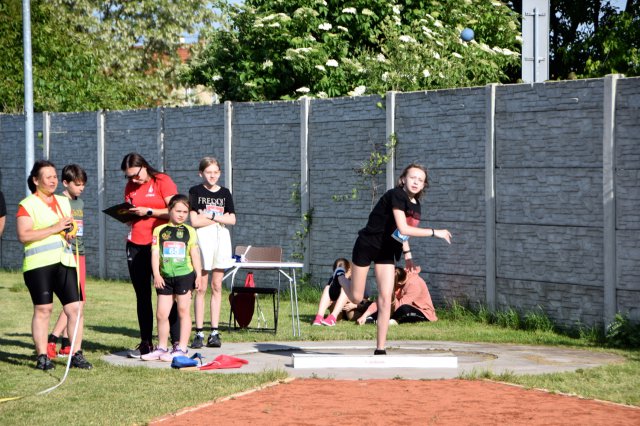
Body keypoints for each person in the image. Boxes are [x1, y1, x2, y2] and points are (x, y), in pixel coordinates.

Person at [341, 163, 452, 355]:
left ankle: (380, 349)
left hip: (386, 250)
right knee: (356, 297)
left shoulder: (416, 206)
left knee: (385, 298)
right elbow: (404, 228)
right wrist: (436, 232)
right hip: (367, 245)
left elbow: (400, 234)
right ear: (403, 179)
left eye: (420, 180)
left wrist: (408, 256)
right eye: (412, 178)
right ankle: (340, 275)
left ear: (424, 185)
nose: (416, 182)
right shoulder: (397, 195)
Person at [16, 160, 92, 370]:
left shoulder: (63, 201)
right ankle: (42, 356)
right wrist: (54, 227)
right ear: (35, 180)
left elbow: (69, 227)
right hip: (38, 265)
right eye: (47, 177)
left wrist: (69, 231)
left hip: (65, 261)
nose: (52, 180)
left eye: (54, 177)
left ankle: (75, 353)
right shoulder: (27, 204)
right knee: (44, 309)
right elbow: (23, 235)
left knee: (76, 308)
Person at [121, 152, 180, 358]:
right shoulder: (130, 186)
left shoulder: (162, 181)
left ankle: (176, 342)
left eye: (135, 175)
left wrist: (149, 212)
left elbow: (176, 211)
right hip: (135, 243)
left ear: (144, 166)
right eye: (128, 177)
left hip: (160, 243)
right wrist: (127, 216)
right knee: (142, 294)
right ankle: (146, 341)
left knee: (166, 292)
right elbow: (131, 212)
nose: (133, 180)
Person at [142, 195, 202, 361]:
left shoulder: (190, 231)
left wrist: (198, 275)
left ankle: (182, 348)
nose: (182, 215)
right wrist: (157, 274)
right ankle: (161, 347)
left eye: (185, 212)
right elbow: (154, 254)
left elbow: (194, 254)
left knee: (183, 310)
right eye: (178, 211)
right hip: (165, 277)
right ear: (169, 210)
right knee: (162, 313)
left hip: (184, 276)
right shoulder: (159, 231)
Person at [188, 157, 236, 348]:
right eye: (209, 172)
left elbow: (232, 219)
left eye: (216, 172)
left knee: (217, 286)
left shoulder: (225, 193)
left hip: (221, 240)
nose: (213, 175)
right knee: (201, 286)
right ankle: (199, 332)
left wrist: (210, 214)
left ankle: (214, 332)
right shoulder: (195, 191)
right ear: (201, 173)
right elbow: (195, 222)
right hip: (203, 241)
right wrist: (219, 218)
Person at [47, 164, 88, 359]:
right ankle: (53, 340)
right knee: (75, 301)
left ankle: (66, 343)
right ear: (66, 183)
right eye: (78, 184)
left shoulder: (79, 203)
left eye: (83, 185)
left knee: (79, 301)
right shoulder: (59, 201)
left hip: (80, 252)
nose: (82, 188)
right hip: (65, 253)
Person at [356, 267, 437, 325]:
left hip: (422, 312)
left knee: (404, 309)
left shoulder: (414, 284)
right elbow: (380, 301)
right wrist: (364, 315)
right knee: (373, 304)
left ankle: (378, 320)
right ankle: (372, 319)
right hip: (396, 309)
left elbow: (399, 307)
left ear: (399, 283)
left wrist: (391, 294)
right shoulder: (398, 279)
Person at [311, 258, 369, 326]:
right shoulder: (335, 279)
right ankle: (319, 317)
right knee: (328, 288)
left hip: (353, 309)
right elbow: (329, 295)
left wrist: (355, 305)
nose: (341, 277)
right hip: (340, 309)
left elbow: (367, 301)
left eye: (342, 273)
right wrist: (330, 302)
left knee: (350, 313)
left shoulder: (358, 280)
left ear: (349, 270)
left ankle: (332, 318)